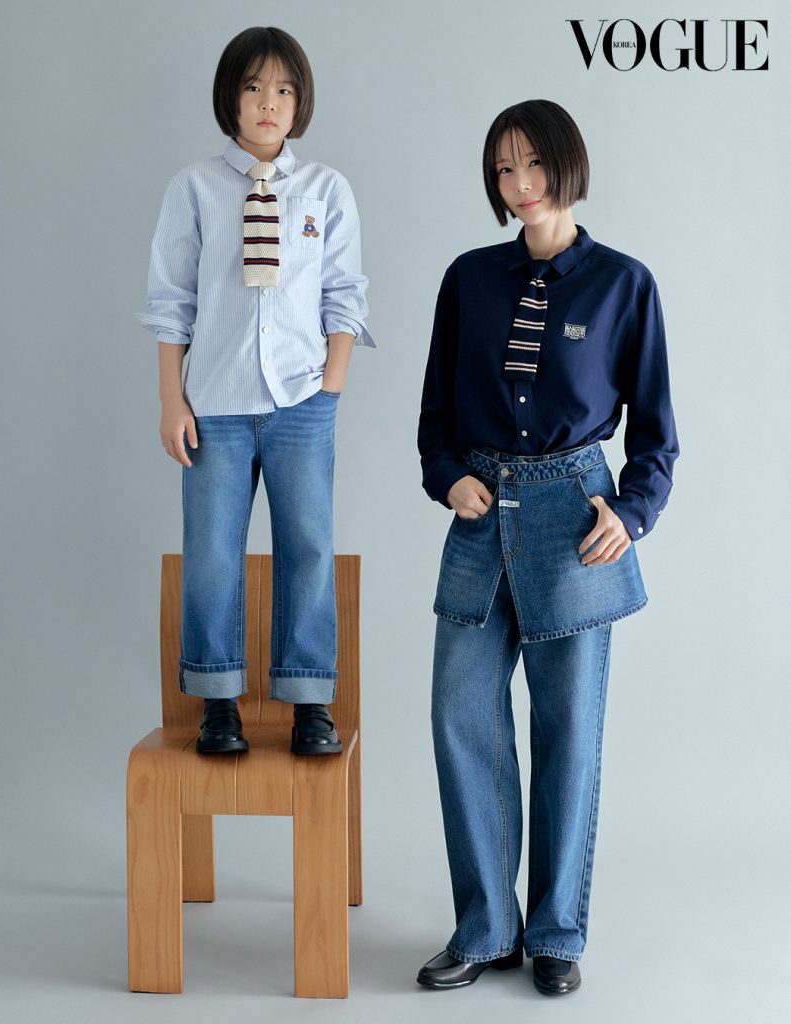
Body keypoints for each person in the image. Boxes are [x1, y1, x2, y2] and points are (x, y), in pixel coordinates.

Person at [416, 99, 679, 996]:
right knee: (460, 716)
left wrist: (631, 513)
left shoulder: (622, 285)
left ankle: (557, 933)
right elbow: (435, 416)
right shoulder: (468, 279)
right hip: (480, 515)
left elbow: (656, 431)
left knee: (567, 730)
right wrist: (447, 477)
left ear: (566, 165)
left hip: (573, 519)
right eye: (503, 169)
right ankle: (486, 929)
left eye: (532, 164)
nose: (519, 184)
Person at [135, 26, 374, 755]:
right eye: (253, 87)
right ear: (230, 98)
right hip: (215, 404)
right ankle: (218, 701)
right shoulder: (195, 189)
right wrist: (171, 400)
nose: (269, 103)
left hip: (303, 401)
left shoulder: (326, 189)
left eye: (284, 90)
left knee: (309, 546)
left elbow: (344, 293)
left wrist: (331, 386)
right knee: (211, 551)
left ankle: (309, 702)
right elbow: (172, 300)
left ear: (299, 104)